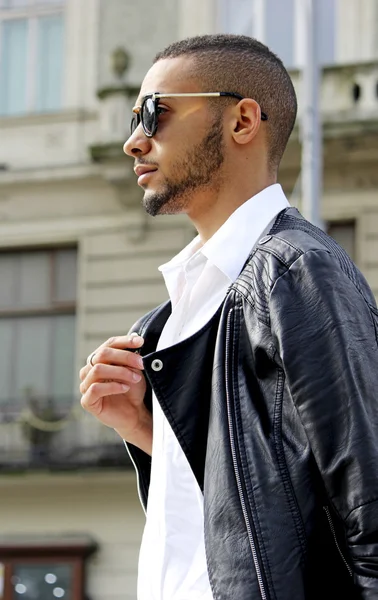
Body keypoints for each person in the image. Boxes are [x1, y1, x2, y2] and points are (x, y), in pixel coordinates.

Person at [79, 34, 378, 600]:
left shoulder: (296, 271)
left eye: (154, 113)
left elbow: (369, 506)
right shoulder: (173, 316)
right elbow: (224, 524)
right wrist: (149, 434)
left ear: (243, 120)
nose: (132, 141)